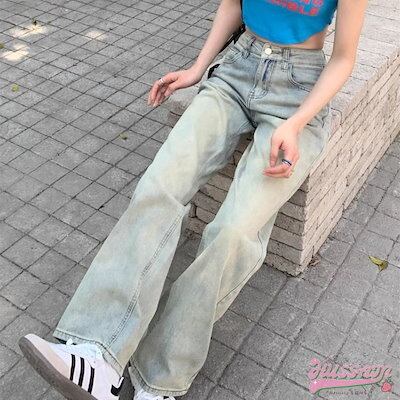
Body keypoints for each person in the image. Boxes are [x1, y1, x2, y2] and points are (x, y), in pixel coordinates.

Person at [19, 0, 367, 399]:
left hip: (299, 93)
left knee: (233, 233)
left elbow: (344, 58)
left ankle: (160, 378)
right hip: (237, 71)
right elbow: (232, 5)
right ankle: (98, 351)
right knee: (158, 187)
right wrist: (198, 68)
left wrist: (296, 123)